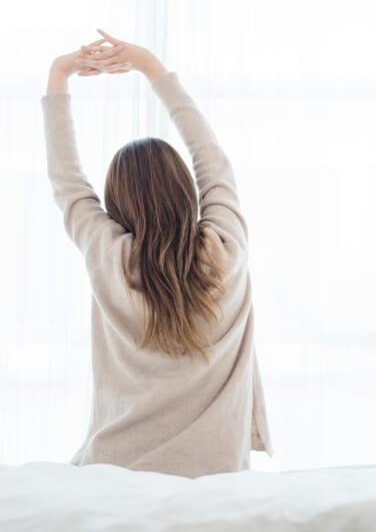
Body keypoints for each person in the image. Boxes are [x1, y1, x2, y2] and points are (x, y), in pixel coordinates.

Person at [42, 29, 273, 477]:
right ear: (187, 190)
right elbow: (212, 158)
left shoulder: (108, 256)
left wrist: (60, 73)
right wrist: (150, 67)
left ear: (116, 204)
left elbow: (67, 180)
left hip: (115, 473)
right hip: (217, 477)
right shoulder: (227, 250)